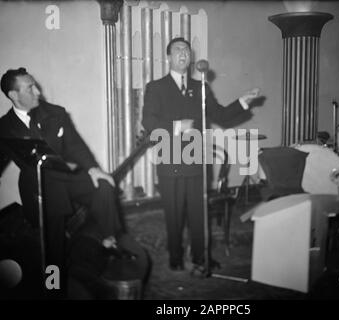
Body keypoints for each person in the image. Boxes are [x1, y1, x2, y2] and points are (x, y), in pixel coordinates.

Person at [0, 68, 137, 297]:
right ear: (14, 95)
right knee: (52, 245)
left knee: (103, 186)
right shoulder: (4, 128)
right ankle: (54, 287)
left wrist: (94, 169)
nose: (37, 91)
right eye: (29, 88)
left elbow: (75, 146)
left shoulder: (55, 113)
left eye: (35, 84)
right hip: (39, 188)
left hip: (68, 177)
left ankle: (110, 240)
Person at [142, 37, 260, 272]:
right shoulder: (156, 87)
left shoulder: (201, 88)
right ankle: (175, 259)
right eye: (177, 49)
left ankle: (199, 257)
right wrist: (176, 126)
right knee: (173, 214)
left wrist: (242, 103)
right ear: (168, 57)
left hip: (196, 159)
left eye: (186, 49)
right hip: (170, 159)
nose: (183, 53)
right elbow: (148, 122)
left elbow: (222, 115)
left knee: (199, 213)